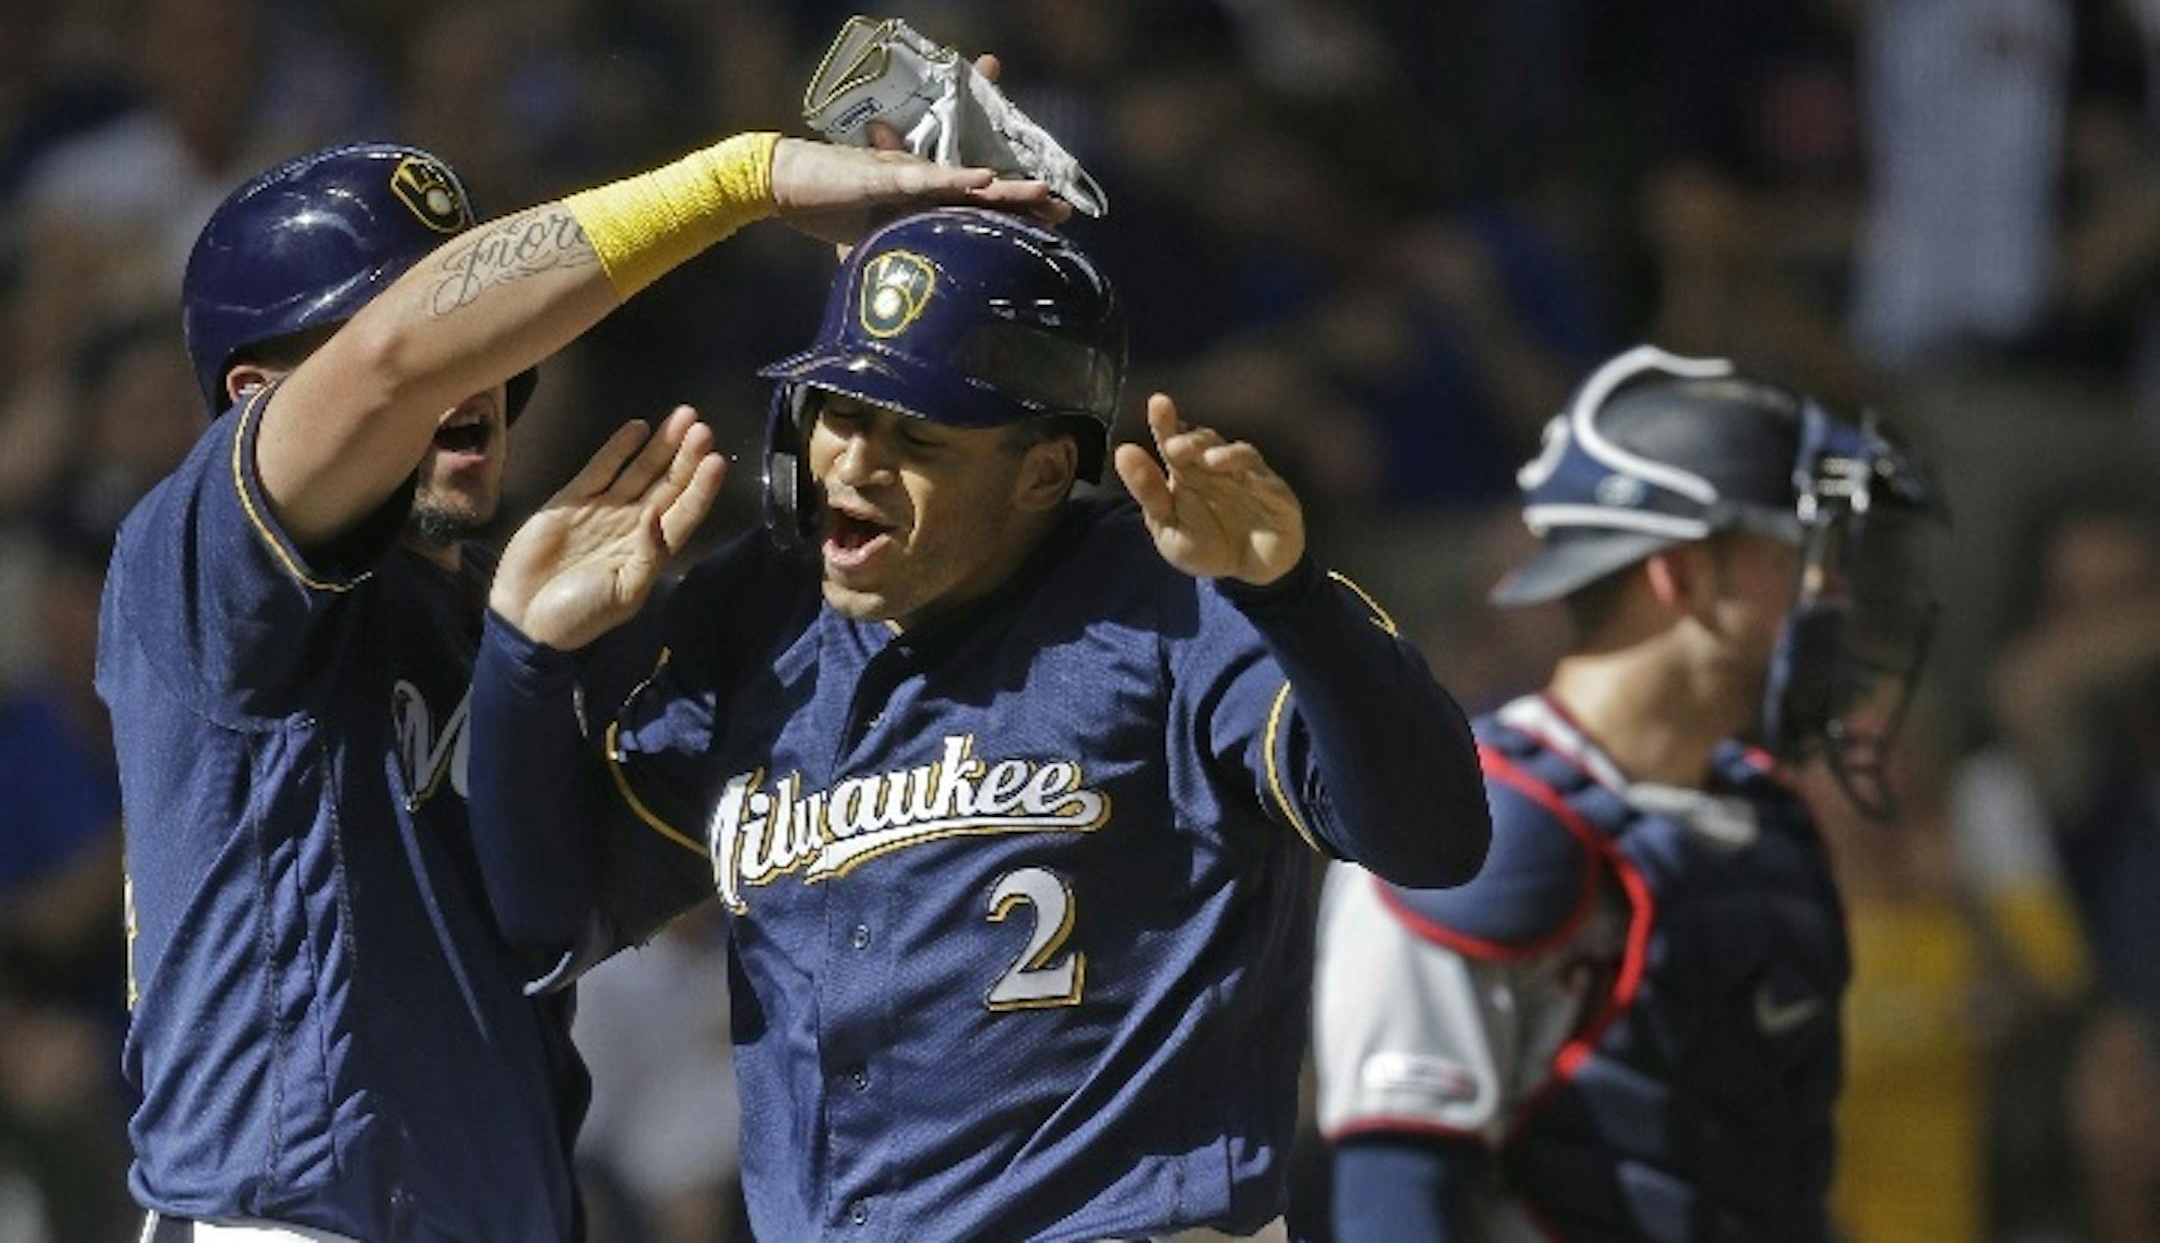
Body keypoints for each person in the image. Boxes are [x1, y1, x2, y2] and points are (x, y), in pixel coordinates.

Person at [96, 116, 1059, 1241]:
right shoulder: (199, 560)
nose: (474, 367)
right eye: (443, 326)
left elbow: (581, 906)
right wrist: (741, 179)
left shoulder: (515, 621)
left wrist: (896, 314)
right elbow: (396, 358)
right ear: (256, 396)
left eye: (490, 336)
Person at [462, 206, 1494, 1240]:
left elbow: (1434, 838)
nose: (853, 465)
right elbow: (550, 926)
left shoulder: (1175, 599)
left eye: (916, 436)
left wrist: (1291, 599)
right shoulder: (758, 616)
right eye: (838, 413)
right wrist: (526, 655)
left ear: (1041, 472)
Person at [1312, 345, 1940, 1242]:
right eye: (1801, 555)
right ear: (1678, 573)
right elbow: (1397, 1207)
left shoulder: (1763, 824)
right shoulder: (1462, 825)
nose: (1831, 595)